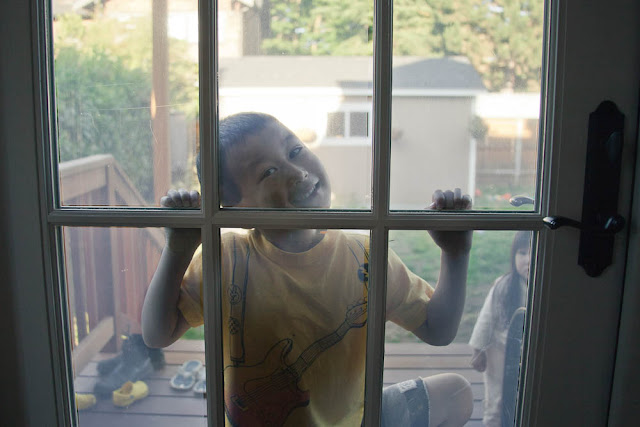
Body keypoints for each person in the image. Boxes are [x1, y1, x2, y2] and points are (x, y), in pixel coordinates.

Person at [142, 112, 474, 426]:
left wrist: (455, 254)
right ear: (235, 208)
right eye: (268, 172)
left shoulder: (366, 258)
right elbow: (157, 333)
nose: (297, 172)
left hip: (355, 419)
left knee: (457, 392)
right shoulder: (226, 258)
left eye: (295, 150)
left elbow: (438, 329)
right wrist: (178, 249)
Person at [468, 231, 532, 427]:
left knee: (528, 398)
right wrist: (478, 350)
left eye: (534, 252)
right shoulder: (504, 285)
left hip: (532, 353)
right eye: (522, 253)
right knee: (497, 399)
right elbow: (486, 319)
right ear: (513, 256)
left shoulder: (548, 288)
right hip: (501, 350)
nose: (528, 260)